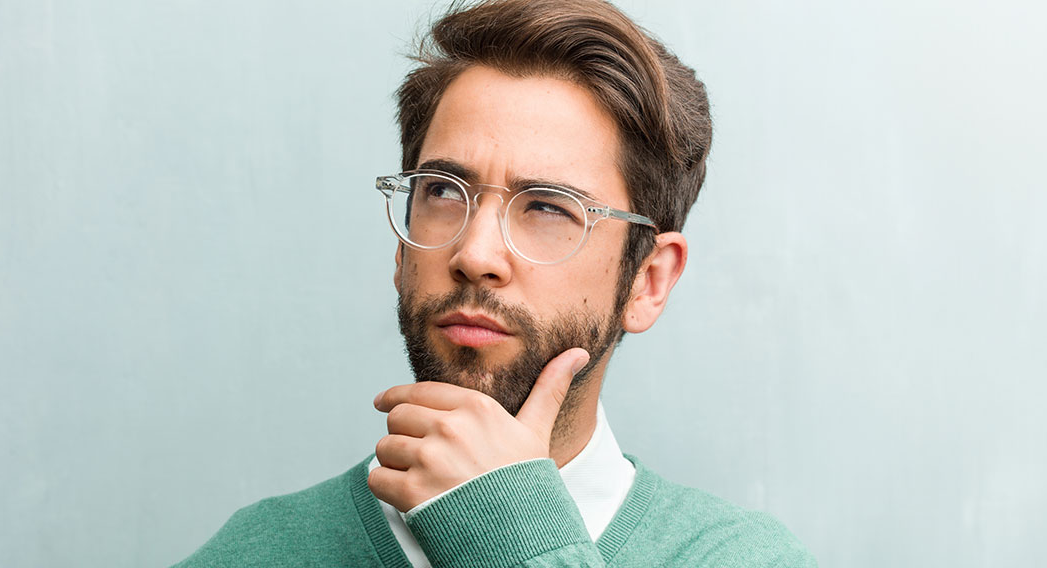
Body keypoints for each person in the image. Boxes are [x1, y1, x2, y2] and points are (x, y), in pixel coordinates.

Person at [173, 0, 815, 566]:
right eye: (443, 193)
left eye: (546, 207)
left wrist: (508, 534)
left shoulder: (738, 558)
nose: (473, 253)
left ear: (647, 280)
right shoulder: (255, 552)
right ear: (401, 247)